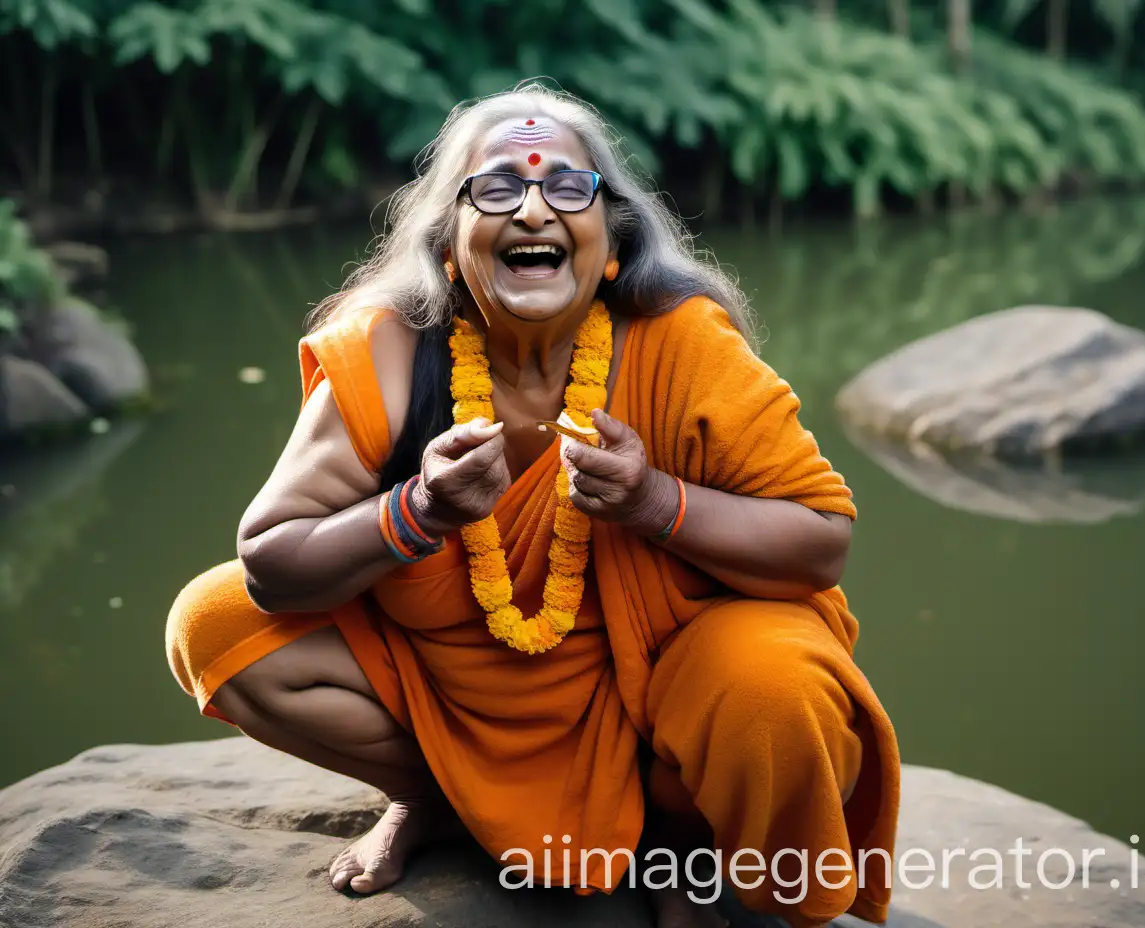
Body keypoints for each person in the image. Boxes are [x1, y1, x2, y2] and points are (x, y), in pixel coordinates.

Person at [165, 83, 900, 928]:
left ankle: (682, 840)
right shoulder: (390, 350)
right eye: (500, 188)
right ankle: (443, 800)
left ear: (612, 243)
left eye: (566, 188)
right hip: (458, 687)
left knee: (777, 689)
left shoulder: (683, 342)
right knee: (215, 627)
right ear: (450, 246)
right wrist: (417, 512)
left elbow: (819, 545)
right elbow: (270, 566)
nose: (534, 210)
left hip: (661, 692)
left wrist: (655, 501)